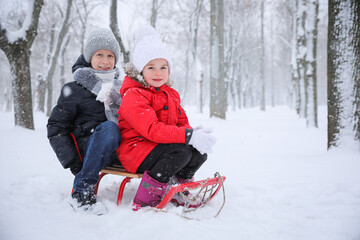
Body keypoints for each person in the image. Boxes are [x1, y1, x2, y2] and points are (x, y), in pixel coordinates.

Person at [116, 26, 216, 210]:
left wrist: (193, 134)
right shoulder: (134, 95)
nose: (158, 73)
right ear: (139, 70)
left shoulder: (171, 94)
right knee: (181, 151)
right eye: (151, 67)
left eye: (163, 67)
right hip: (136, 151)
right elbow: (152, 130)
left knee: (198, 153)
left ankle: (177, 188)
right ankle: (146, 197)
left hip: (158, 148)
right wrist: (187, 136)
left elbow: (181, 123)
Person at [47, 28, 122, 210]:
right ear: (90, 57)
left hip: (118, 149)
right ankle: (82, 190)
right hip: (88, 149)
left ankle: (161, 184)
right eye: (99, 55)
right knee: (110, 128)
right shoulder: (75, 89)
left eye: (110, 56)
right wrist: (74, 162)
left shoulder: (121, 88)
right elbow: (56, 127)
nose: (105, 61)